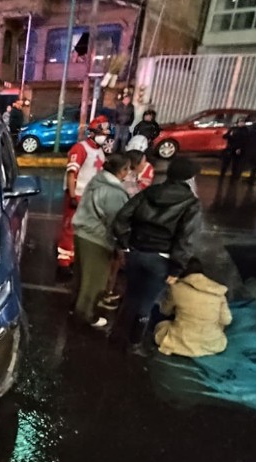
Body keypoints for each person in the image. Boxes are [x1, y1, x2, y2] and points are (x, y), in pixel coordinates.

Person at [111, 156, 203, 355]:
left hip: (136, 252)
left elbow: (121, 218)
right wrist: (177, 268)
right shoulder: (191, 204)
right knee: (147, 301)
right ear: (189, 178)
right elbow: (186, 239)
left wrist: (125, 244)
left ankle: (115, 334)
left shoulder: (149, 193)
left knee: (132, 294)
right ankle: (134, 344)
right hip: (161, 259)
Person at [71, 153, 132, 328]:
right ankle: (85, 314)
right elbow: (116, 222)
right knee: (95, 280)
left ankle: (75, 306)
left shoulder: (97, 181)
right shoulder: (114, 192)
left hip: (82, 232)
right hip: (97, 238)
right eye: (127, 169)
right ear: (122, 171)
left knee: (82, 275)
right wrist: (122, 247)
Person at [58, 115, 110, 269]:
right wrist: (73, 196)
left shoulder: (100, 152)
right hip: (78, 195)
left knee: (83, 230)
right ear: (92, 133)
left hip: (91, 196)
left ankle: (73, 257)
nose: (103, 137)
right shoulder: (80, 148)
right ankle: (64, 262)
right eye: (101, 134)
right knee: (70, 228)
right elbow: (71, 173)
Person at [153, 258, 232, 357]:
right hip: (212, 343)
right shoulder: (218, 292)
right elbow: (226, 321)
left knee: (158, 320)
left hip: (180, 340)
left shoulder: (176, 288)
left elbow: (165, 311)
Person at [221, 116, 249, 181]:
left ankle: (234, 177)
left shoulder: (245, 130)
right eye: (240, 122)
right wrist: (230, 135)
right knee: (225, 163)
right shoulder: (233, 129)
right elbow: (225, 136)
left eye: (242, 122)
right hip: (230, 148)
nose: (241, 123)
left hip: (238, 150)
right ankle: (222, 175)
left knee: (235, 164)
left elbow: (245, 141)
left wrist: (240, 148)